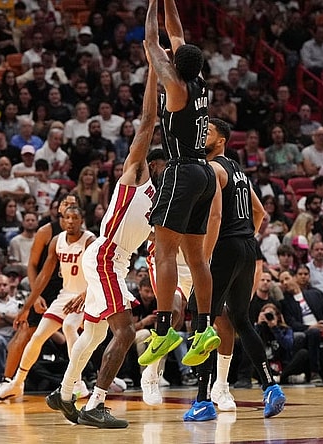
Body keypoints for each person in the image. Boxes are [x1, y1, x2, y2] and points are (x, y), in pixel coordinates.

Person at [45, 66, 161, 428]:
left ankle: (64, 392)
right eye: (161, 163)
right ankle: (96, 403)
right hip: (106, 256)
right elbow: (147, 121)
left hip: (112, 261)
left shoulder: (162, 202)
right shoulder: (136, 175)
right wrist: (154, 72)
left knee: (95, 333)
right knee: (125, 332)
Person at [183, 117, 285, 422]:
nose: (202, 135)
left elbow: (215, 217)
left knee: (201, 317)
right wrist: (245, 238)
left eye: (208, 132)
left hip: (226, 248)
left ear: (221, 140)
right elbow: (260, 212)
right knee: (241, 319)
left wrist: (204, 258)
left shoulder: (213, 169)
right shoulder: (237, 170)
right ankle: (271, 387)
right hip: (247, 247)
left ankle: (203, 401)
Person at [138, 0, 218, 369]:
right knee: (197, 258)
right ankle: (203, 327)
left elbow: (151, 42)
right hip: (204, 172)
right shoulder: (199, 82)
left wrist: (152, 5)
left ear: (175, 65)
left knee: (164, 252)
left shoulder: (175, 86)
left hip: (182, 171)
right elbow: (177, 33)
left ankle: (164, 330)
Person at [0, 206, 95, 401]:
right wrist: (26, 307)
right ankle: (17, 383)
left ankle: (77, 383)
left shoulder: (90, 241)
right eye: (67, 217)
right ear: (62, 220)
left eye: (75, 217)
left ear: (82, 220)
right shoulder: (57, 241)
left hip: (86, 294)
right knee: (38, 336)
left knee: (69, 326)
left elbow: (98, 274)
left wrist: (85, 294)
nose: (70, 221)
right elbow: (43, 276)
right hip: (65, 295)